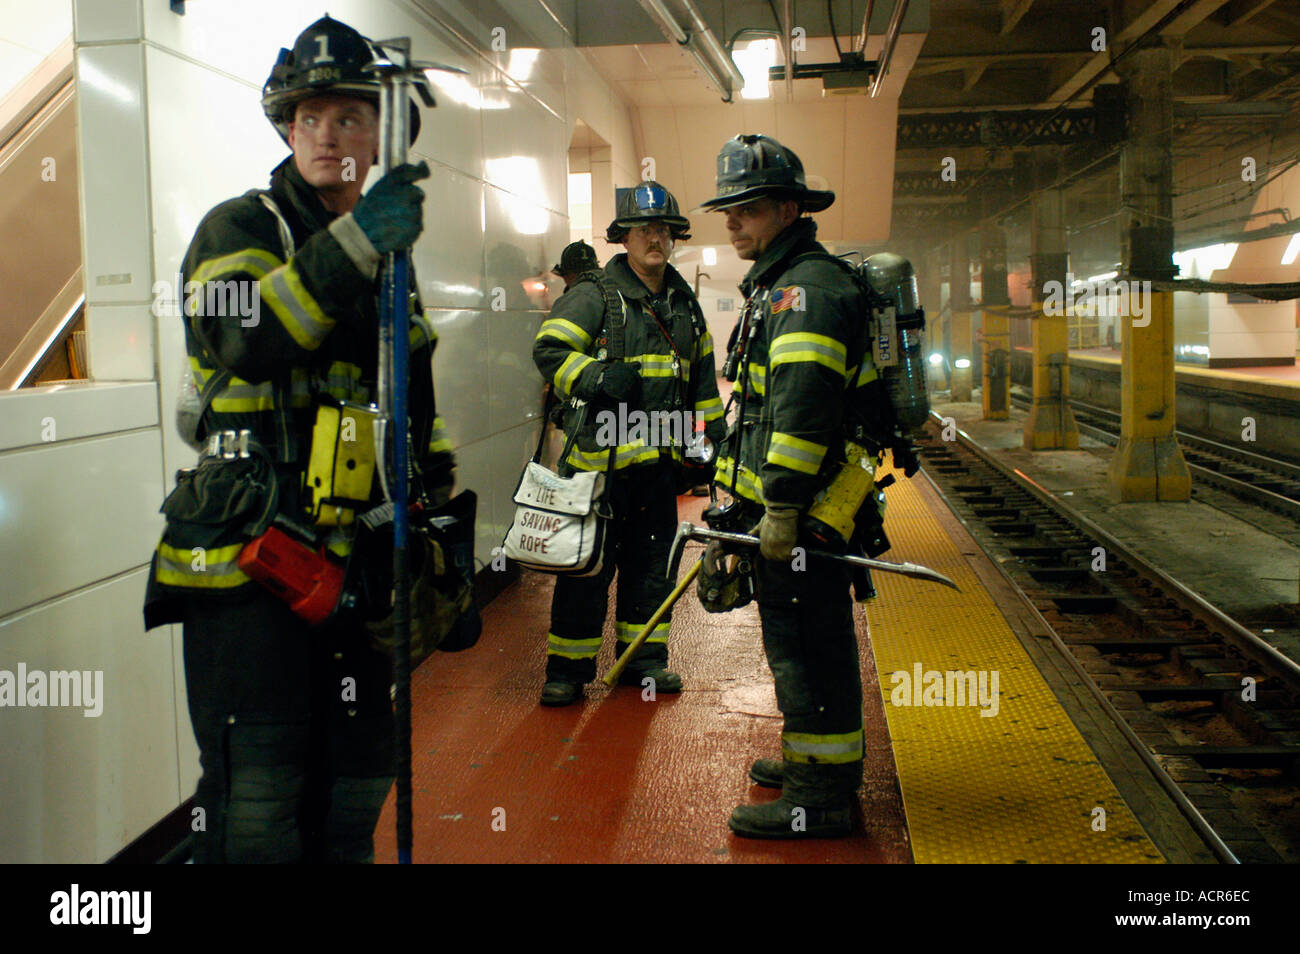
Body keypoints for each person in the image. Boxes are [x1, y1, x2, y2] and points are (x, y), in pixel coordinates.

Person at [143, 15, 454, 862]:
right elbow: (241, 337)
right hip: (250, 561)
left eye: (349, 117)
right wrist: (358, 242)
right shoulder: (240, 227)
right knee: (259, 799)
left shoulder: (394, 260)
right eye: (309, 117)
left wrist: (429, 534)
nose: (327, 135)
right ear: (286, 128)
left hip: (351, 558)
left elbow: (412, 408)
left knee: (355, 784)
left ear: (378, 134)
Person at [700, 134, 893, 839]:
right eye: (729, 210)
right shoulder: (784, 283)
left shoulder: (803, 291)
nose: (731, 223)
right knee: (805, 640)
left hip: (804, 513)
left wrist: (779, 505)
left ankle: (821, 797)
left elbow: (803, 410)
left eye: (746, 209)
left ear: (786, 208)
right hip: (797, 508)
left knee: (808, 644)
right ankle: (817, 762)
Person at [532, 182, 725, 706]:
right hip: (598, 469)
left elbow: (702, 385)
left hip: (658, 470)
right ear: (624, 238)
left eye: (663, 229)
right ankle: (568, 672)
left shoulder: (685, 305)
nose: (654, 238)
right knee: (586, 570)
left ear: (674, 236)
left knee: (650, 569)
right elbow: (550, 349)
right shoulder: (595, 295)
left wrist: (712, 444)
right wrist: (594, 377)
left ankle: (643, 664)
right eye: (644, 229)